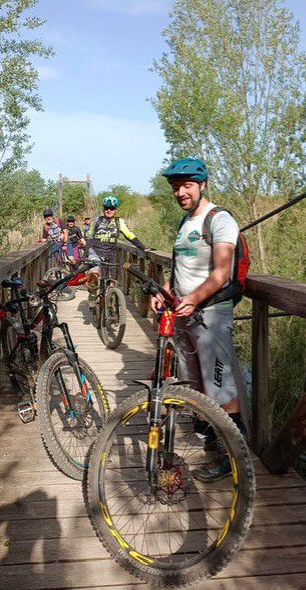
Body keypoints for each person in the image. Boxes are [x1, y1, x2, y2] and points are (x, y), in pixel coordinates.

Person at [150, 158, 244, 482]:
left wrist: (192, 298)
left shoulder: (220, 220)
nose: (180, 192)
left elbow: (221, 272)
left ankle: (233, 457)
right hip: (183, 314)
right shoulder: (184, 223)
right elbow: (180, 270)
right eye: (176, 187)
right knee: (198, 384)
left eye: (187, 185)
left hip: (211, 315)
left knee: (221, 387)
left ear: (202, 184)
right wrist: (165, 292)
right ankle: (212, 446)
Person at [87, 196, 149, 303]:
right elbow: (88, 236)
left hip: (111, 253)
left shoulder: (119, 222)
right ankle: (92, 293)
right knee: (94, 273)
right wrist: (85, 252)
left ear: (116, 210)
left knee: (111, 281)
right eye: (106, 208)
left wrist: (142, 247)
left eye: (112, 208)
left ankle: (110, 302)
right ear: (103, 209)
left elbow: (129, 235)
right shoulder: (97, 220)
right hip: (96, 251)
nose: (109, 210)